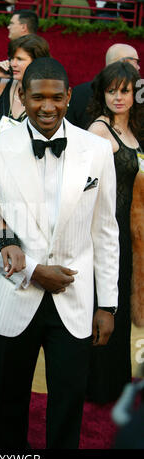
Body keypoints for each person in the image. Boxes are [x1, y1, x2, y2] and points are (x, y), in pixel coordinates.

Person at [0, 57, 119, 449]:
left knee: (68, 406)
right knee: (7, 405)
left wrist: (109, 305)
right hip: (14, 294)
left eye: (56, 97)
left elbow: (105, 231)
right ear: (22, 95)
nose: (47, 106)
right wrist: (32, 270)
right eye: (37, 97)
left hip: (76, 298)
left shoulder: (98, 151)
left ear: (69, 96)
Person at [86, 61, 143, 404]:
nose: (118, 97)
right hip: (107, 232)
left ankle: (117, 382)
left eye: (125, 90)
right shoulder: (98, 130)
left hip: (130, 233)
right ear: (102, 93)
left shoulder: (134, 130)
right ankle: (97, 383)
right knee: (105, 304)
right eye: (112, 90)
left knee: (120, 303)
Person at [66, 43, 140, 130]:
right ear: (124, 63)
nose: (138, 67)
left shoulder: (78, 92)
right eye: (136, 62)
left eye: (125, 91)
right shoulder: (99, 128)